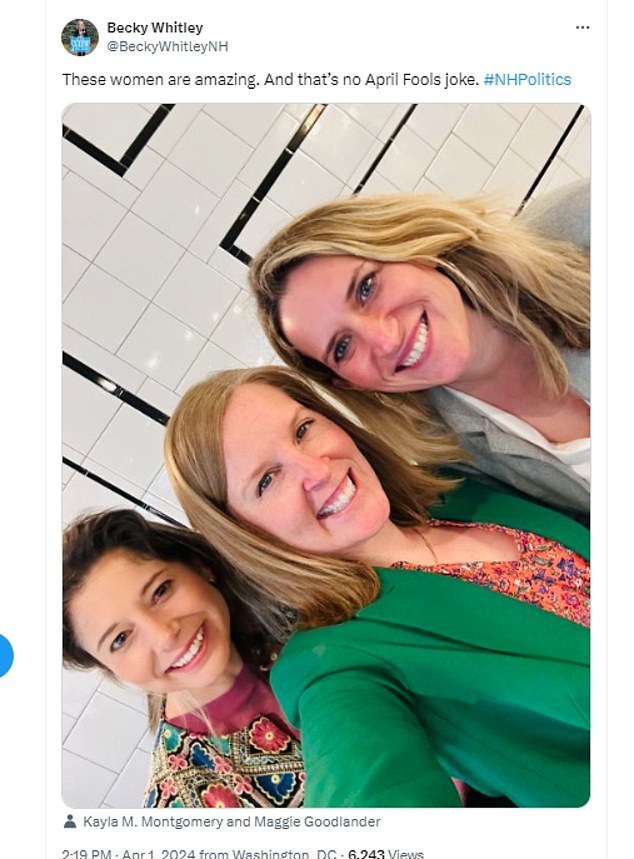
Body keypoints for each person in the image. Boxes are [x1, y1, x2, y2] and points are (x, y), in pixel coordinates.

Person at [164, 365, 590, 809]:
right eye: (267, 480)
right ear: (243, 534)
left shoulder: (457, 487)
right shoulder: (330, 665)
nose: (315, 470)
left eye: (303, 429)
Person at [248, 183, 590, 522]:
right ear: (349, 383)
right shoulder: (458, 463)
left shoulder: (579, 227)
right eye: (342, 347)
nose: (385, 338)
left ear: (410, 246)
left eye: (367, 288)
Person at [63, 509, 304, 808]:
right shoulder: (181, 804)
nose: (164, 635)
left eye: (160, 591)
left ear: (199, 567)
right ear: (109, 669)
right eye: (121, 639)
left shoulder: (307, 605)